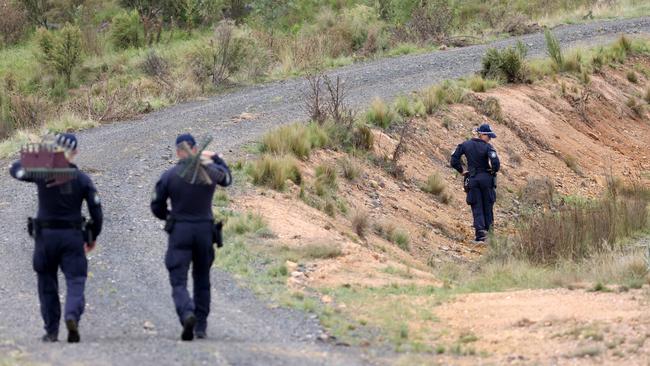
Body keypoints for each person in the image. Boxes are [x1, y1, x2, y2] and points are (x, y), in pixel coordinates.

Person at [9, 133, 103, 343]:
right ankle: (71, 316)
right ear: (75, 153)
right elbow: (96, 212)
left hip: (45, 239)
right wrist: (92, 236)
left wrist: (41, 158)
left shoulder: (42, 173)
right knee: (76, 280)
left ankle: (51, 332)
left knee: (46, 284)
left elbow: (14, 169)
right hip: (72, 238)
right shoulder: (82, 179)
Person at [151, 133, 232, 341]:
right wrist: (216, 157)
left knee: (178, 280)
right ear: (195, 150)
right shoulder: (210, 173)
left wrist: (169, 217)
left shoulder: (170, 175)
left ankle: (187, 313)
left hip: (180, 232)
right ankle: (201, 326)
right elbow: (228, 179)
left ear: (178, 152)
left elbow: (157, 206)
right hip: (205, 231)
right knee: (202, 279)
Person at [450, 124, 500, 243]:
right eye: (488, 136)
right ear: (482, 134)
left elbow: (454, 159)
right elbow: (496, 163)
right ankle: (489, 234)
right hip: (487, 179)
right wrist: (492, 171)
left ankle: (480, 235)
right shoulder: (488, 147)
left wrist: (461, 170)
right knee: (488, 206)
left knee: (477, 206)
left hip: (472, 179)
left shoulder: (465, 144)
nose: (490, 139)